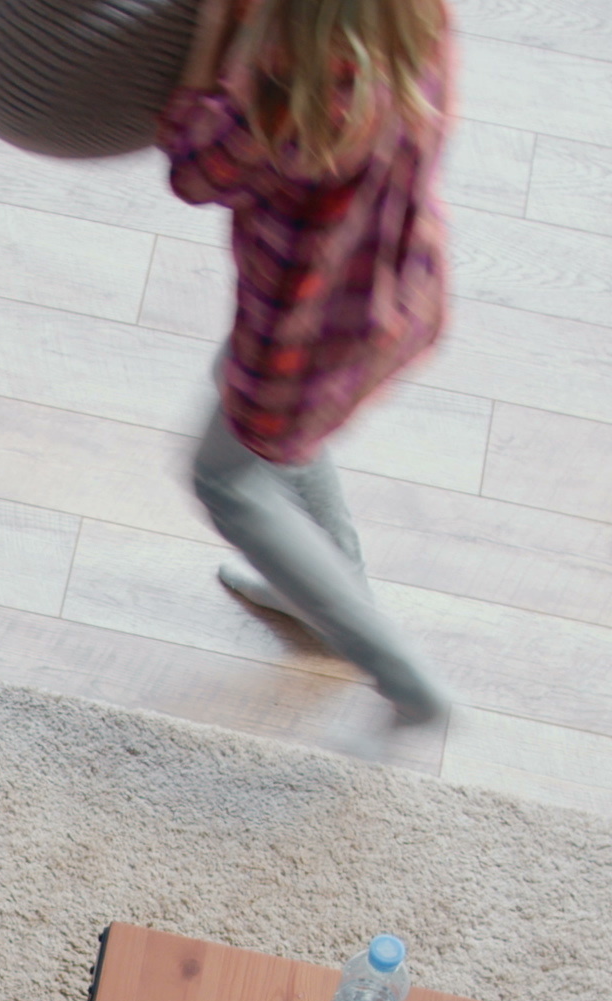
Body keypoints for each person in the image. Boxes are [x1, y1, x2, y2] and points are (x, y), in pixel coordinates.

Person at [169, 0, 462, 723]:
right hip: (391, 290)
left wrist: (211, 36)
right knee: (274, 429)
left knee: (227, 481)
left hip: (297, 340)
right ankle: (333, 574)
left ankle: (405, 679)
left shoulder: (283, 102)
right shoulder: (416, 28)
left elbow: (194, 168)